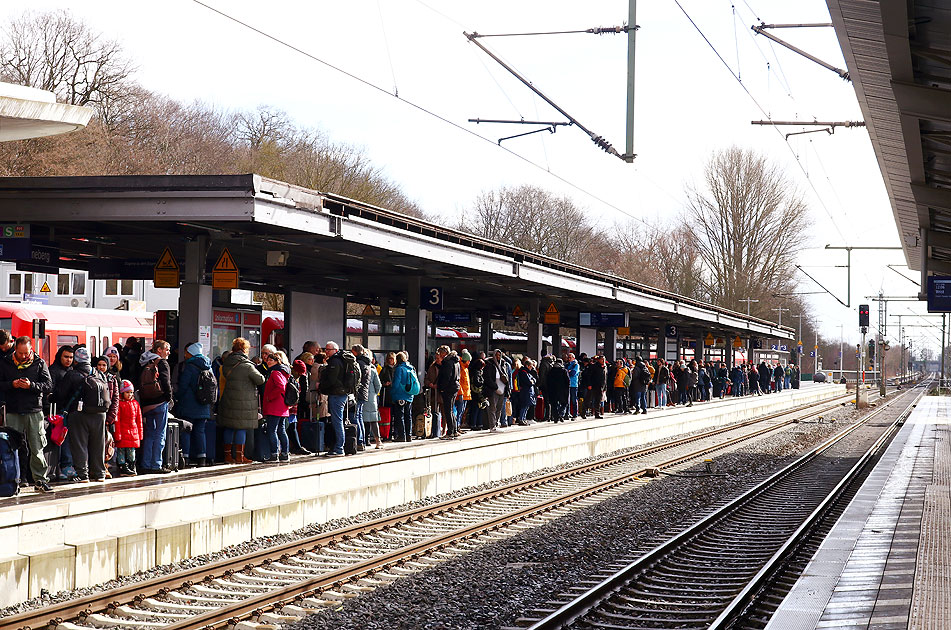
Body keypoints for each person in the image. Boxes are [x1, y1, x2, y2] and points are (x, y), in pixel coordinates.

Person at [0, 336, 54, 492]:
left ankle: (40, 480)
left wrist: (31, 386)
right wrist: (12, 384)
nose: (23, 356)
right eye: (20, 353)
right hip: (13, 410)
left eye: (26, 353)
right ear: (15, 349)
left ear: (31, 350)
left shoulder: (39, 363)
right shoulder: (5, 363)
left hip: (34, 411)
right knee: (12, 448)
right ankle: (13, 481)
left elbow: (48, 385)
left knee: (37, 448)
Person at [55, 346, 108, 483]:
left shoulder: (72, 374)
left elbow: (60, 394)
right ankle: (100, 473)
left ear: (76, 361)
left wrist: (51, 398)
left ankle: (83, 474)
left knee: (79, 444)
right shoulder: (99, 374)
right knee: (98, 444)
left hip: (79, 414)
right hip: (100, 414)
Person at [218, 338, 266, 464]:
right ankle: (240, 457)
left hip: (228, 399)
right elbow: (260, 379)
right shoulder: (247, 366)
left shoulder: (226, 363)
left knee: (229, 427)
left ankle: (228, 456)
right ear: (245, 349)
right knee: (241, 428)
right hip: (244, 401)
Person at [175, 342, 214, 467]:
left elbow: (183, 385)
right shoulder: (208, 366)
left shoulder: (189, 366)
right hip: (204, 404)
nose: (185, 355)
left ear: (191, 353)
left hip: (189, 404)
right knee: (200, 431)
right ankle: (202, 458)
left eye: (187, 352)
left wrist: (177, 397)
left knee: (186, 430)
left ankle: (185, 457)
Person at [139, 340, 173, 474]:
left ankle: (146, 463)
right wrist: (169, 398)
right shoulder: (162, 362)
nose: (169, 353)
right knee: (160, 433)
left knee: (150, 434)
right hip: (159, 402)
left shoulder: (143, 362)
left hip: (146, 403)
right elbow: (166, 381)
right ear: (159, 350)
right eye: (167, 349)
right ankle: (156, 465)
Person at [319, 341, 350, 457]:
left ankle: (339, 448)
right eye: (326, 349)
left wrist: (321, 386)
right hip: (340, 393)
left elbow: (332, 379)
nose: (326, 351)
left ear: (335, 350)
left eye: (329, 350)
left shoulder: (335, 361)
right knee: (337, 420)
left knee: (337, 421)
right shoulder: (338, 360)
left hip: (337, 394)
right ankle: (338, 447)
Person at [261, 350, 292, 461]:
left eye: (271, 360)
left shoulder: (275, 373)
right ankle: (284, 454)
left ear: (277, 361)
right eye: (268, 360)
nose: (268, 362)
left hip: (275, 406)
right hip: (282, 406)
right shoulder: (282, 371)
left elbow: (280, 387)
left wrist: (270, 397)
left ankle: (274, 454)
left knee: (272, 430)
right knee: (281, 430)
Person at [114, 380, 143, 476]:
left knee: (131, 451)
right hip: (122, 432)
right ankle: (123, 466)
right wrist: (117, 434)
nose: (129, 394)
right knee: (121, 451)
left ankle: (131, 465)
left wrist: (140, 434)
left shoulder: (135, 404)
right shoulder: (119, 404)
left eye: (131, 392)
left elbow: (139, 420)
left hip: (133, 432)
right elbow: (117, 421)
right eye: (127, 392)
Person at [389, 351, 419, 442]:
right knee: (408, 416)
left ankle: (402, 436)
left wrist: (392, 392)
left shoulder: (399, 369)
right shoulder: (411, 368)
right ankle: (409, 435)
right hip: (409, 395)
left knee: (400, 416)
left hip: (400, 395)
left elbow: (396, 383)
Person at [435, 346, 461, 438]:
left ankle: (450, 432)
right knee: (451, 410)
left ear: (444, 353)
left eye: (440, 353)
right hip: (455, 387)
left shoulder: (447, 362)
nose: (440, 355)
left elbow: (446, 376)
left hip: (448, 388)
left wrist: (442, 387)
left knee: (447, 410)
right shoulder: (455, 361)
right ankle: (454, 430)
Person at [288, 358, 312, 455]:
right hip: (291, 406)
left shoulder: (294, 378)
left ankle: (296, 447)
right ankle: (295, 447)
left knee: (291, 426)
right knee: (289, 427)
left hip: (292, 406)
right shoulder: (294, 379)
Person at [481, 349, 510, 433]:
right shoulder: (489, 365)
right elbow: (487, 378)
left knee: (499, 408)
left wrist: (508, 390)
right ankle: (492, 426)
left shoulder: (503, 364)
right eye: (496, 355)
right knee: (492, 408)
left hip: (502, 389)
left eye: (499, 355)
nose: (498, 357)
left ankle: (496, 424)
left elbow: (506, 378)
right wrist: (494, 386)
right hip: (493, 389)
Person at [362, 356, 383, 449]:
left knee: (362, 420)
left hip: (361, 397)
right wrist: (374, 394)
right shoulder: (373, 370)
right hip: (371, 398)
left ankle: (364, 441)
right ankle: (378, 441)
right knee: (373, 421)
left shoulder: (359, 368)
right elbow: (378, 385)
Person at [513, 357, 537, 426]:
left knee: (527, 406)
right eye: (530, 366)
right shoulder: (523, 372)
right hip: (525, 392)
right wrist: (531, 381)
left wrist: (532, 381)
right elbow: (529, 382)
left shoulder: (527, 372)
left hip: (528, 391)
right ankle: (521, 419)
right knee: (524, 406)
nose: (531, 368)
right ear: (527, 366)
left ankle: (523, 418)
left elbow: (534, 379)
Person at [546, 358, 570, 422]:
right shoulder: (564, 371)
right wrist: (567, 389)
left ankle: (556, 417)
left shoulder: (551, 371)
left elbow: (548, 381)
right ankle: (561, 414)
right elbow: (567, 381)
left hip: (553, 390)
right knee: (564, 403)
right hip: (562, 390)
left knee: (554, 404)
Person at [457, 350, 472, 430]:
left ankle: (458, 427)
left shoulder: (465, 368)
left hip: (465, 394)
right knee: (459, 411)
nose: (469, 362)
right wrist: (460, 393)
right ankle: (456, 427)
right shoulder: (461, 368)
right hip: (462, 394)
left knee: (461, 412)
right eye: (468, 361)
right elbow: (459, 382)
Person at [565, 353, 580, 419]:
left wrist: (568, 372)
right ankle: (567, 413)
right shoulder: (567, 364)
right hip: (567, 384)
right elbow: (565, 373)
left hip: (573, 384)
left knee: (574, 399)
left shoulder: (576, 365)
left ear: (573, 358)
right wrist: (568, 371)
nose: (569, 359)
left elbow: (573, 373)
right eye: (568, 357)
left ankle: (575, 414)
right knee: (567, 400)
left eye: (570, 357)